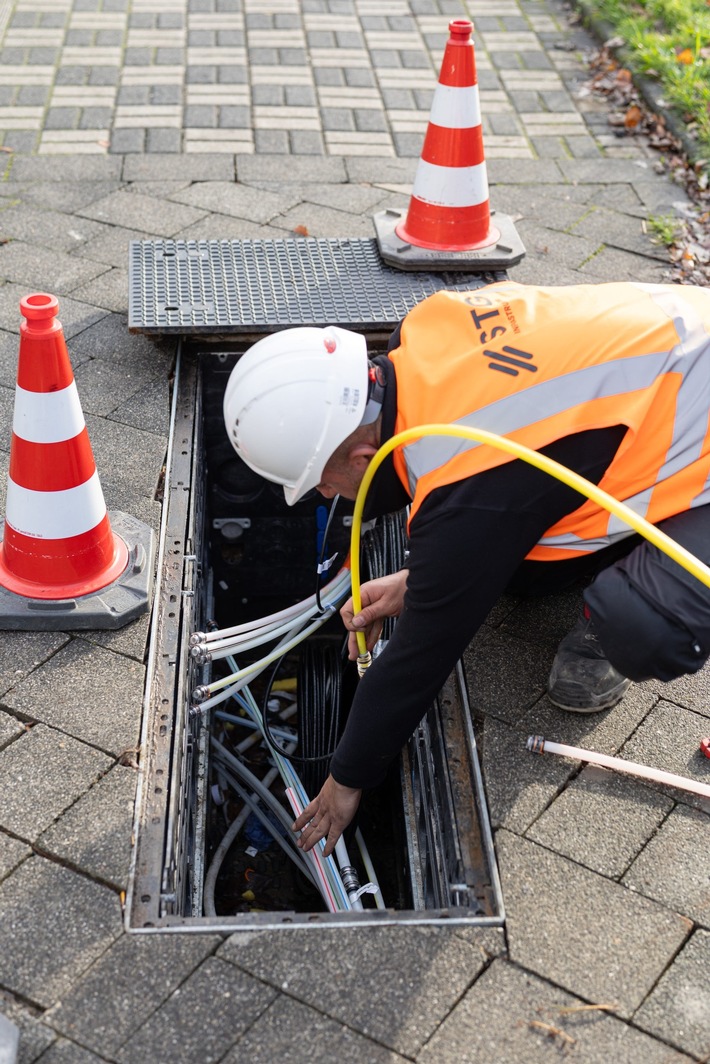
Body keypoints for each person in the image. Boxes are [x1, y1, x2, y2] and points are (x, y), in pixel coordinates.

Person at [222, 279, 710, 858]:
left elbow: (421, 655)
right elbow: (489, 509)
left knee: (642, 623)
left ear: (361, 456)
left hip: (695, 420)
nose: (326, 495)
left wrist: (346, 778)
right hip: (679, 348)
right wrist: (422, 580)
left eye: (323, 483)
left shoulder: (472, 483)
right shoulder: (423, 331)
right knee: (519, 566)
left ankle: (624, 607)